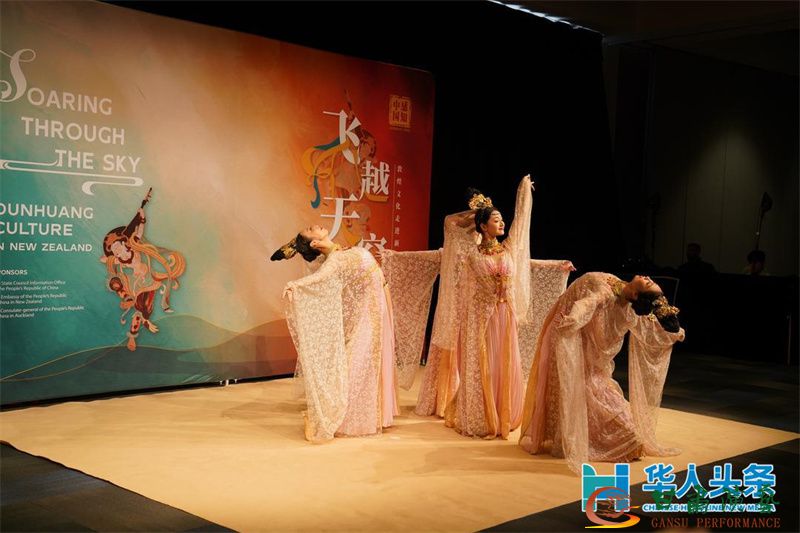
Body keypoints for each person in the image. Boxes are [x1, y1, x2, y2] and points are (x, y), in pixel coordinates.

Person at [381, 175, 573, 439]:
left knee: (504, 365)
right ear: (483, 226)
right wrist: (478, 211)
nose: (502, 223)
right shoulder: (470, 255)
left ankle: (504, 414)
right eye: (495, 220)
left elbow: (524, 249)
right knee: (486, 367)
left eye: (501, 219)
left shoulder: (508, 249)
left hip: (505, 316)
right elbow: (450, 225)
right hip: (481, 320)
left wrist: (524, 193)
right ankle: (484, 415)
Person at [519, 272, 684, 473]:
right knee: (573, 389)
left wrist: (674, 333)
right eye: (650, 281)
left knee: (609, 410)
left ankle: (590, 438)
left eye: (649, 283)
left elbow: (588, 304)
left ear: (635, 295)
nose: (648, 277)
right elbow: (585, 304)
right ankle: (569, 437)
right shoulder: (611, 287)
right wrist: (572, 320)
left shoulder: (620, 303)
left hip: (575, 332)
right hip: (566, 333)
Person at [271, 224, 401, 441]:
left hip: (377, 301)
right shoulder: (334, 261)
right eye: (311, 229)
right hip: (370, 309)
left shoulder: (339, 252)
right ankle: (345, 417)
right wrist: (295, 285)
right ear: (315, 242)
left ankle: (375, 414)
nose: (315, 225)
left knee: (372, 358)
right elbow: (319, 278)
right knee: (360, 360)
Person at [100, 188, 186, 351]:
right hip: (135, 283)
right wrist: (109, 258)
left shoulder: (134, 246)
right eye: (114, 249)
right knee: (129, 296)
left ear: (123, 242)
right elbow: (105, 259)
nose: (116, 249)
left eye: (117, 245)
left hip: (148, 278)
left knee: (144, 309)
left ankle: (140, 324)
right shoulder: (117, 259)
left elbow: (139, 232)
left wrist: (142, 218)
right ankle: (134, 331)